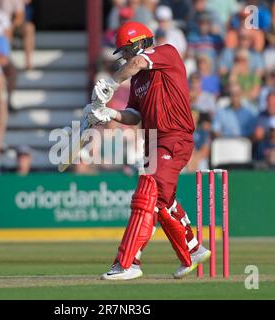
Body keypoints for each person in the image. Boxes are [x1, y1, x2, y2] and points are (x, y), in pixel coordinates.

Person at [84, 22, 211, 280]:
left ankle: (128, 262)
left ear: (139, 43)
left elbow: (136, 64)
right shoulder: (139, 80)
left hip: (174, 137)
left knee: (148, 195)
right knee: (163, 200)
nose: (126, 57)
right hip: (153, 141)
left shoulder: (166, 53)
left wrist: (110, 83)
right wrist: (109, 113)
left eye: (127, 51)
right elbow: (134, 115)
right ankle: (193, 249)